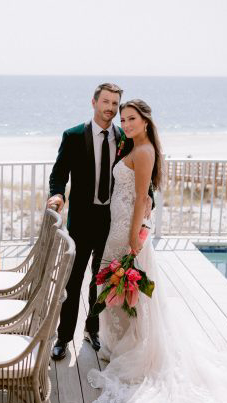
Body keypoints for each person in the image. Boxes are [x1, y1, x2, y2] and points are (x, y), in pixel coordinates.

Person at [87, 99, 227, 403]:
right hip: (119, 223)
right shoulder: (133, 145)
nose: (125, 123)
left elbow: (142, 195)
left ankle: (134, 348)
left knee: (128, 288)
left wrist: (133, 236)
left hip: (127, 228)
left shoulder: (144, 151)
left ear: (146, 120)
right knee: (114, 286)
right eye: (123, 119)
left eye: (132, 118)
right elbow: (142, 193)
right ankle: (119, 344)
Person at [47, 83, 153, 361]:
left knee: (102, 279)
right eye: (105, 102)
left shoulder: (124, 136)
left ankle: (92, 330)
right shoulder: (72, 136)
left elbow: (137, 172)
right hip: (81, 219)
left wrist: (149, 197)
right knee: (73, 279)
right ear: (93, 103)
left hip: (111, 219)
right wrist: (57, 194)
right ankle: (64, 336)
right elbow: (59, 173)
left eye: (115, 104)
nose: (110, 108)